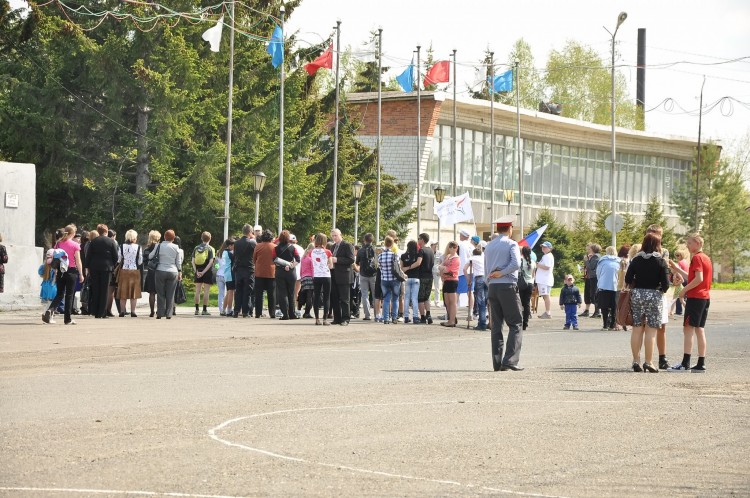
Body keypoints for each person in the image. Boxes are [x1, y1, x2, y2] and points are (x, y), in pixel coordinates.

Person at [624, 233, 670, 373]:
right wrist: (660, 289)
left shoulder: (636, 259)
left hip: (637, 294)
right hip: (654, 295)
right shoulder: (660, 261)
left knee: (637, 328)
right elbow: (666, 284)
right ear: (657, 245)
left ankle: (635, 360)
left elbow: (628, 277)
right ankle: (648, 362)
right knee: (651, 330)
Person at [484, 215, 524, 371]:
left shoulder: (489, 245)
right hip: (507, 286)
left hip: (493, 287)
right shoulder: (511, 243)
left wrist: (491, 281)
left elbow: (487, 268)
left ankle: (497, 362)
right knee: (516, 323)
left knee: (497, 325)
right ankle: (510, 360)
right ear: (510, 228)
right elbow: (516, 264)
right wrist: (503, 273)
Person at [669, 233, 712, 371]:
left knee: (688, 329)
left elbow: (698, 279)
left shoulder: (697, 258)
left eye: (690, 243)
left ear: (698, 243)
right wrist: (677, 269)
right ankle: (701, 362)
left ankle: (685, 362)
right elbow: (692, 276)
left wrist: (684, 290)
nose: (687, 245)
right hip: (704, 297)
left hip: (696, 297)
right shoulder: (705, 258)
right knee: (699, 329)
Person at [43, 225, 84, 325]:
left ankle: (50, 309)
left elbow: (55, 258)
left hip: (60, 271)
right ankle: (67, 319)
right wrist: (81, 273)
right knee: (69, 295)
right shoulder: (75, 245)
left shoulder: (58, 243)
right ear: (73, 233)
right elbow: (78, 261)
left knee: (60, 293)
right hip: (71, 271)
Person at [83, 224, 118, 320]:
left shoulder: (93, 241)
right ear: (106, 231)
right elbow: (115, 257)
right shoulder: (111, 242)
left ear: (98, 231)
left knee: (96, 289)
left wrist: (88, 267)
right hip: (107, 268)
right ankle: (103, 312)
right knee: (105, 290)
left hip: (94, 267)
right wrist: (113, 265)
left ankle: (95, 311)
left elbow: (88, 256)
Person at [150, 229, 183, 319]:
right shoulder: (176, 247)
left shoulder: (158, 246)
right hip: (173, 271)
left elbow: (150, 256)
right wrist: (180, 271)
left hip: (160, 270)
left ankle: (160, 313)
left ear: (164, 237)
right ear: (173, 238)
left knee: (160, 293)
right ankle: (169, 314)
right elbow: (178, 261)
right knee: (170, 293)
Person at [329, 228, 355, 326]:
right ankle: (337, 318)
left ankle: (345, 319)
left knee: (345, 299)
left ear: (340, 235)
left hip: (344, 275)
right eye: (333, 236)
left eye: (336, 235)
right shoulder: (333, 247)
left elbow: (351, 259)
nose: (334, 238)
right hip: (334, 274)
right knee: (334, 298)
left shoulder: (347, 245)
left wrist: (337, 260)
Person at [116, 229, 143, 317]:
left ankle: (122, 311)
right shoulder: (138, 247)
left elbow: (119, 259)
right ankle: (133, 311)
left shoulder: (121, 246)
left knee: (123, 292)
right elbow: (140, 261)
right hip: (134, 270)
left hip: (124, 270)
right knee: (134, 292)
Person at [275, 230, 300, 320]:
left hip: (280, 272)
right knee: (291, 293)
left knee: (282, 293)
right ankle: (292, 314)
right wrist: (290, 265)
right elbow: (297, 259)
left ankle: (285, 314)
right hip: (291, 272)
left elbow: (274, 259)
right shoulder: (293, 248)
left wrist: (283, 265)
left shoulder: (276, 248)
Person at [232, 224, 257, 318]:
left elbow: (235, 256)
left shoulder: (236, 243)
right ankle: (245, 312)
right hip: (249, 269)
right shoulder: (252, 243)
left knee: (238, 291)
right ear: (250, 232)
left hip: (239, 269)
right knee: (247, 291)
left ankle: (236, 311)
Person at [253, 229, 277, 319]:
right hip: (271, 273)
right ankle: (272, 313)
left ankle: (258, 313)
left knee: (258, 294)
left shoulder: (258, 246)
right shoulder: (275, 247)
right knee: (272, 294)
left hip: (259, 273)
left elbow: (254, 259)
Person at [596, 246, 620, 330]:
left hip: (603, 285)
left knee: (604, 306)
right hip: (615, 285)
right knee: (614, 306)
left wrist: (600, 281)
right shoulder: (619, 261)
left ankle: (605, 324)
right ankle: (612, 324)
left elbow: (598, 273)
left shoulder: (602, 261)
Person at [378, 235, 401, 325]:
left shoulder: (380, 256)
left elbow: (379, 268)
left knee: (386, 299)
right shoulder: (394, 255)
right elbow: (398, 268)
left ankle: (386, 318)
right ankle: (394, 318)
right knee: (395, 299)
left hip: (384, 279)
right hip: (394, 279)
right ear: (392, 244)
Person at [311, 233, 333, 325]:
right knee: (326, 297)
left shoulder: (312, 251)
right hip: (326, 275)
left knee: (316, 296)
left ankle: (317, 319)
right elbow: (331, 266)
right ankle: (325, 319)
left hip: (316, 275)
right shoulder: (327, 252)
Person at [191, 231, 215, 316]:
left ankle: (196, 309)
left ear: (201, 238)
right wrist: (204, 272)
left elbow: (193, 261)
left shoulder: (196, 248)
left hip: (198, 270)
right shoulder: (210, 248)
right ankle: (204, 310)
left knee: (197, 291)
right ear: (210, 238)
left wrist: (196, 271)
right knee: (206, 291)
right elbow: (211, 262)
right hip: (207, 271)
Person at [438, 241, 460, 327]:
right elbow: (440, 266)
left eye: (454, 247)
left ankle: (452, 320)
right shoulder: (448, 256)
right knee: (447, 301)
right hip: (446, 280)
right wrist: (442, 269)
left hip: (452, 280)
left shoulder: (456, 258)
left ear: (456, 248)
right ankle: (451, 318)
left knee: (452, 301)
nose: (452, 249)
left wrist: (442, 268)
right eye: (450, 247)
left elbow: (449, 270)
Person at [401, 240, 423, 324]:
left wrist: (406, 269)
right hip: (416, 278)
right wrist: (410, 267)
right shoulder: (418, 254)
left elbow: (401, 268)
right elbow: (418, 263)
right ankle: (415, 316)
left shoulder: (403, 256)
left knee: (406, 298)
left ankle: (406, 316)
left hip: (407, 278)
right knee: (414, 298)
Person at [466, 246, 487, 331]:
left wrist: (468, 279)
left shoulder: (472, 258)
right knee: (486, 301)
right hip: (487, 278)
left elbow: (464, 269)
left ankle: (482, 323)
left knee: (480, 301)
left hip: (479, 278)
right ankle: (487, 321)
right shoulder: (484, 257)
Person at [457, 229, 475, 322]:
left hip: (461, 271)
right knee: (470, 292)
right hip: (471, 271)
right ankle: (471, 312)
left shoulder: (459, 245)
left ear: (463, 236)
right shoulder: (472, 246)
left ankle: (453, 312)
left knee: (457, 293)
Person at [580, 244, 602, 318]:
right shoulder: (594, 257)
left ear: (593, 249)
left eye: (589, 249)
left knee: (594, 294)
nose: (588, 251)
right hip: (590, 277)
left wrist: (586, 260)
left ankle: (597, 312)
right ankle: (595, 311)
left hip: (594, 277)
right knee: (591, 294)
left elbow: (592, 267)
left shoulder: (596, 256)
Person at [417, 233, 435, 325]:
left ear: (422, 240)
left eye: (419, 238)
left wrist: (409, 267)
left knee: (420, 298)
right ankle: (429, 314)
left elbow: (418, 262)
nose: (418, 240)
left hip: (422, 276)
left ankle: (423, 317)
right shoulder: (431, 251)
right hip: (430, 276)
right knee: (426, 297)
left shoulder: (421, 250)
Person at [142, 230, 161, 317]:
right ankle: (159, 310)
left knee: (152, 293)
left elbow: (144, 261)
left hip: (151, 271)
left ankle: (152, 311)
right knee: (160, 292)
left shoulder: (147, 249)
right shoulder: (161, 248)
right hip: (160, 271)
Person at [518, 245, 536, 330]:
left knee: (520, 303)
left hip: (522, 283)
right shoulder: (533, 262)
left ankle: (520, 321)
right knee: (527, 303)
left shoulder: (521, 261)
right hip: (530, 283)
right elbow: (533, 275)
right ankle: (526, 322)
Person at [536, 241, 555, 319]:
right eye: (542, 247)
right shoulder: (546, 256)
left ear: (549, 248)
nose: (543, 248)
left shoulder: (547, 256)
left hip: (545, 279)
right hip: (544, 279)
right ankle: (547, 311)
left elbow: (547, 267)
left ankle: (548, 312)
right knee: (545, 296)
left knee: (546, 295)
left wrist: (537, 265)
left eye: (545, 247)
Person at [217, 238, 235, 316]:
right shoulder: (230, 254)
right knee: (231, 292)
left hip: (226, 274)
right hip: (230, 274)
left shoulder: (224, 252)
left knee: (228, 292)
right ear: (230, 246)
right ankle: (229, 310)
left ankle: (223, 310)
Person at [297, 243, 315, 318]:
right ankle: (307, 312)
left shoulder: (303, 258)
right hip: (310, 277)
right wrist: (314, 278)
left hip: (304, 277)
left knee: (302, 294)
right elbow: (312, 269)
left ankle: (298, 309)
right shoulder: (311, 258)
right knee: (309, 296)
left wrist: (301, 276)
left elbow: (301, 269)